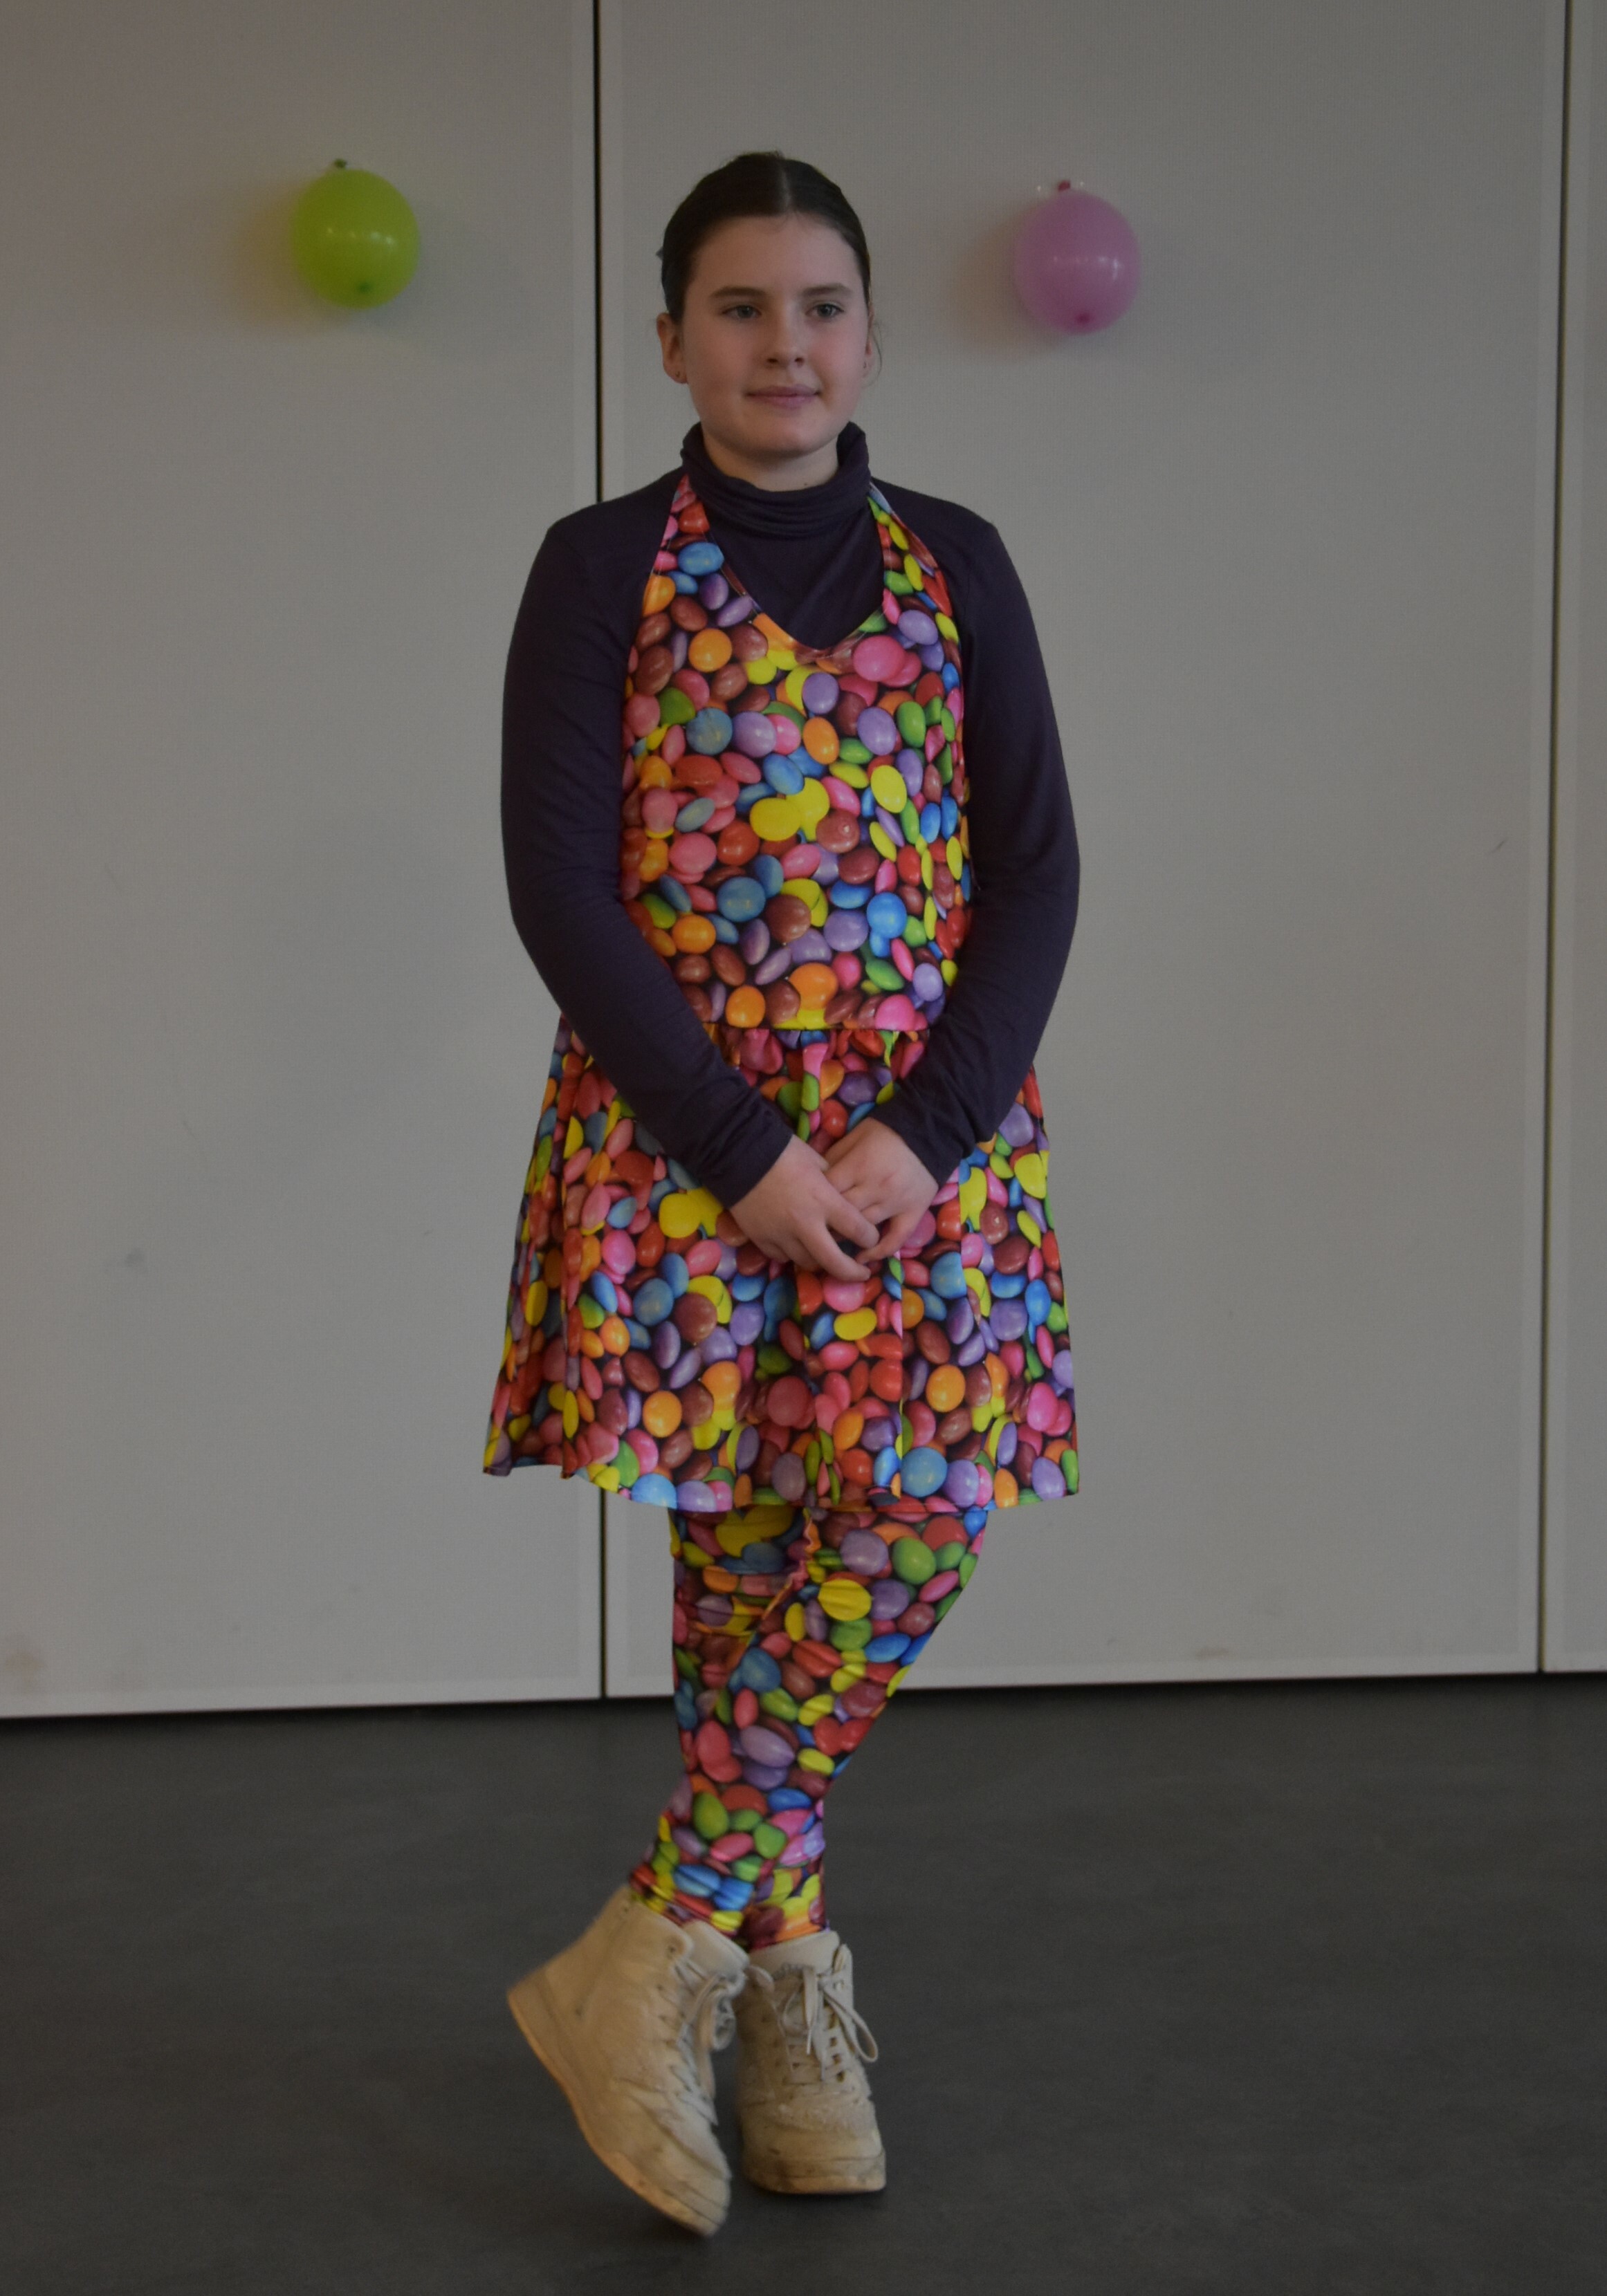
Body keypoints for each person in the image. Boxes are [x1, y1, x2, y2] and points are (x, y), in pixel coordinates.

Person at [485, 149, 1081, 2236]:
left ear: (867, 339)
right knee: (742, 1569)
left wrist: (927, 1129)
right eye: (739, 307)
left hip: (923, 1158)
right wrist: (739, 1155)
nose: (785, 344)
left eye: (821, 305)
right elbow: (561, 886)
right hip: (689, 1158)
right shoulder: (598, 568)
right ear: (672, 340)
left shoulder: (959, 562)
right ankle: (788, 2006)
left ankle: (653, 1948)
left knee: (920, 1508)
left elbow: (1036, 871)